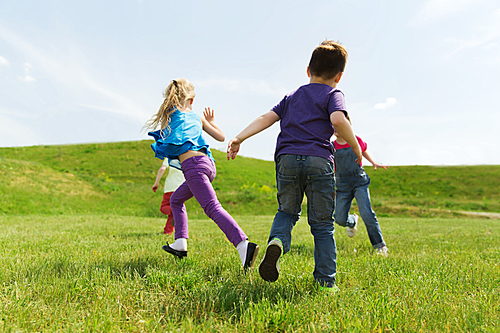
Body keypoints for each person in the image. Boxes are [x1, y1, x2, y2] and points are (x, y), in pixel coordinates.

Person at [227, 40, 362, 291]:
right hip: (319, 161)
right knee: (322, 225)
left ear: (308, 70)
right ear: (339, 76)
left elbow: (266, 118)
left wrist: (239, 137)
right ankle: (325, 283)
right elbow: (337, 119)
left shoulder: (292, 96)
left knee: (287, 213)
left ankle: (277, 241)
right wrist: (355, 147)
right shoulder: (334, 94)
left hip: (287, 159)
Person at [145, 78, 259, 270]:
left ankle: (243, 245)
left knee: (212, 207)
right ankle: (180, 243)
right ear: (191, 100)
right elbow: (221, 137)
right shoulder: (198, 117)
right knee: (176, 200)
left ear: (173, 98)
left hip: (193, 166)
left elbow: (168, 136)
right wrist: (212, 122)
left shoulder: (171, 113)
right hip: (207, 164)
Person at [332, 125, 389, 256]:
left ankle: (380, 245)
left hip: (359, 182)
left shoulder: (355, 139)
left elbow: (363, 150)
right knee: (339, 218)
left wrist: (373, 162)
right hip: (342, 185)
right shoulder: (332, 146)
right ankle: (352, 221)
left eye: (338, 125)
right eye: (333, 125)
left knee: (367, 213)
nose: (335, 127)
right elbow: (332, 165)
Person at [152, 159, 185, 235]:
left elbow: (162, 169)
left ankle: (177, 211)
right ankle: (168, 231)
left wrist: (156, 183)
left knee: (164, 207)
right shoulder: (184, 156)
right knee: (174, 211)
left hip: (171, 187)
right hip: (182, 188)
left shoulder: (169, 156)